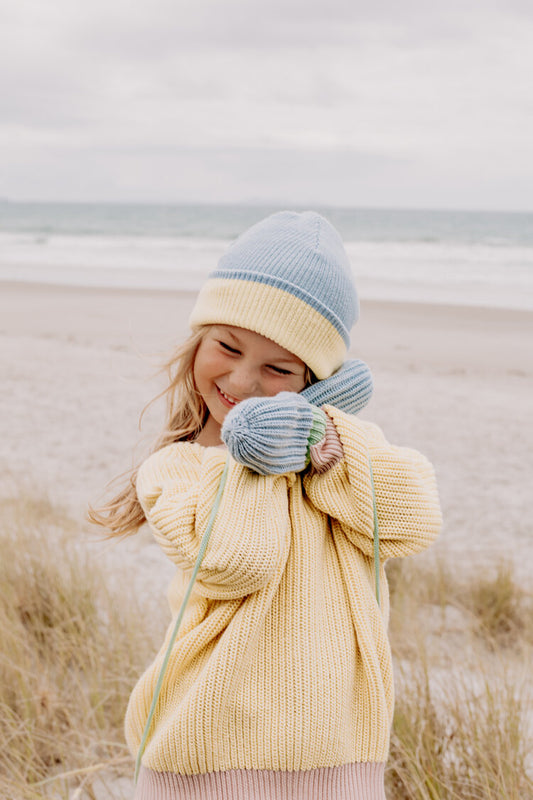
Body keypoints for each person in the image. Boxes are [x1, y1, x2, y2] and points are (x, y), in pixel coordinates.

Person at [90, 210, 442, 800]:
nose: (244, 381)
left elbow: (414, 521)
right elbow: (238, 560)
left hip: (336, 757)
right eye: (227, 346)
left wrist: (322, 443)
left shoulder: (337, 447)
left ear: (314, 380)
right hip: (204, 754)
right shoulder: (174, 470)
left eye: (278, 370)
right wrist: (257, 446)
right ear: (198, 339)